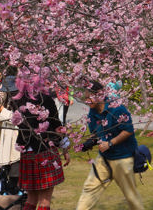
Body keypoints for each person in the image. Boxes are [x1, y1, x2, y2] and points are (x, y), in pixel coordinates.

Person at [75, 81, 145, 210]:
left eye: (89, 97)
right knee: (89, 188)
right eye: (85, 98)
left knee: (131, 196)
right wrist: (88, 144)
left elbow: (128, 130)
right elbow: (96, 134)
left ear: (100, 95)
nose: (87, 101)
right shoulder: (92, 112)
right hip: (104, 159)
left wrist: (110, 143)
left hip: (123, 158)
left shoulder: (117, 108)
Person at [17, 84, 67, 210]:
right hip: (45, 148)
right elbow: (57, 125)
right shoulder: (46, 99)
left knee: (31, 198)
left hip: (27, 151)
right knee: (44, 200)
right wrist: (65, 147)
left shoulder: (19, 100)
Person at [0, 75, 22, 194]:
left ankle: (15, 190)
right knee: (7, 165)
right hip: (7, 135)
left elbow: (18, 119)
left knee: (15, 163)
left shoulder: (21, 101)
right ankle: (9, 189)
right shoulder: (8, 100)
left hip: (17, 138)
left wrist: (2, 111)